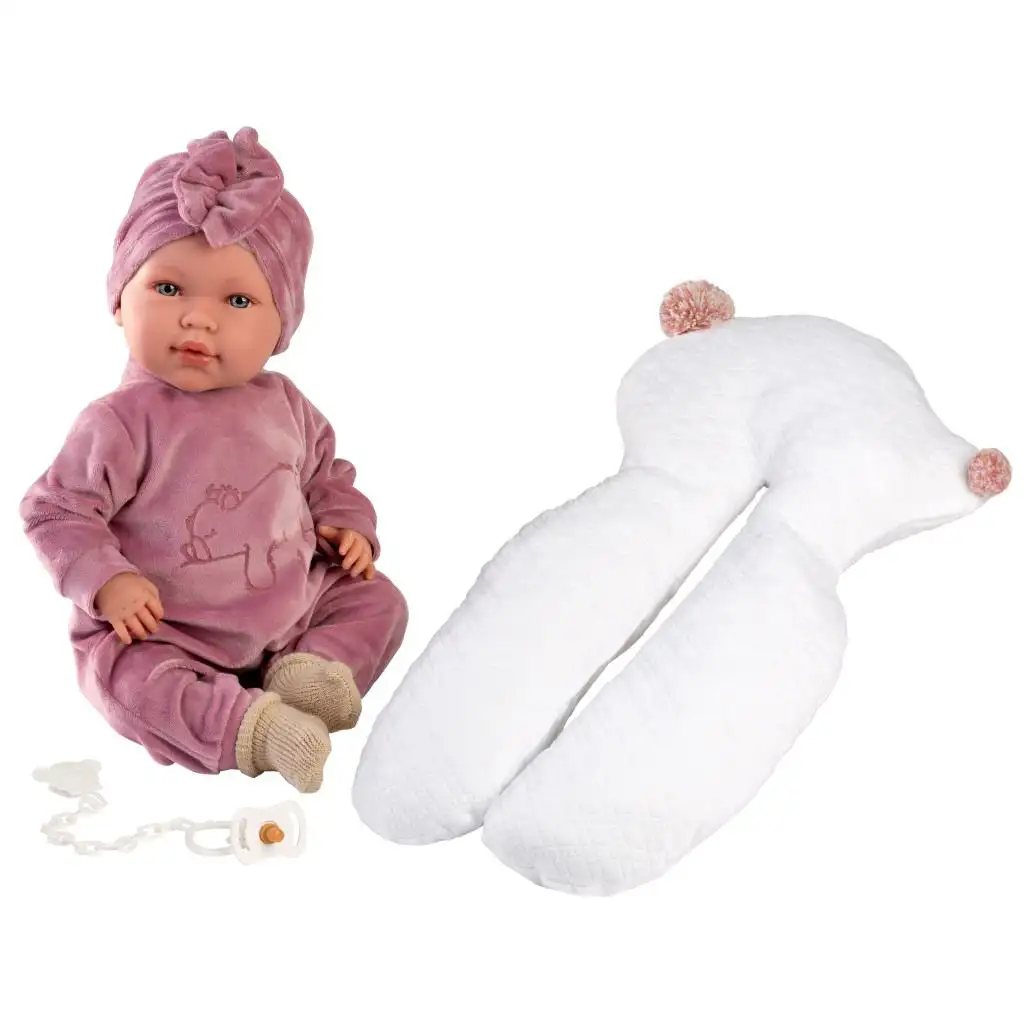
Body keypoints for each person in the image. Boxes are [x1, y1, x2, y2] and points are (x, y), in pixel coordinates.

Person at [20, 127, 408, 793]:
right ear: (121, 300)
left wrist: (347, 526)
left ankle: (308, 673)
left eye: (237, 301)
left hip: (290, 605)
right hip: (165, 632)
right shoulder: (121, 422)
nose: (199, 319)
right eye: (170, 288)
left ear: (280, 326)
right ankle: (255, 729)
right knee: (125, 685)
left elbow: (325, 476)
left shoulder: (286, 404)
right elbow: (56, 511)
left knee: (380, 601)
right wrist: (107, 581)